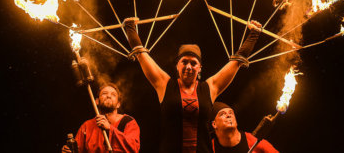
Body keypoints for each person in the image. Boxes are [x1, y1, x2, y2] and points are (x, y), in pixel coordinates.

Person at [123, 17, 262, 153]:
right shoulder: (164, 84)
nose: (189, 67)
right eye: (184, 62)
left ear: (200, 67)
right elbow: (141, 55)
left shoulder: (210, 87)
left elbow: (237, 61)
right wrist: (130, 28)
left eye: (193, 63)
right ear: (177, 65)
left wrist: (254, 33)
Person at [62, 82, 140, 153]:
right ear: (97, 101)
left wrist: (110, 128)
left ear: (118, 104)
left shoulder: (128, 122)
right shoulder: (87, 126)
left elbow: (133, 149)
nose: (109, 96)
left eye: (113, 94)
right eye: (104, 93)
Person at [210, 102, 278, 153]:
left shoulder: (253, 141)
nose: (228, 115)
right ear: (214, 124)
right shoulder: (209, 148)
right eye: (222, 114)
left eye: (231, 113)